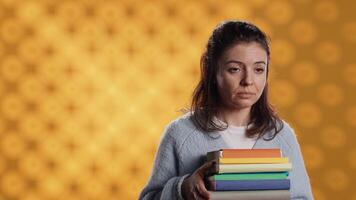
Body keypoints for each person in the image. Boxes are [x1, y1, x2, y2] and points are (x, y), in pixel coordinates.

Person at [139, 20, 313, 200]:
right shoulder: (180, 134)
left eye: (259, 69)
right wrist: (182, 189)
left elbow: (302, 197)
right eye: (235, 69)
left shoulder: (282, 135)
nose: (248, 80)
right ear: (213, 71)